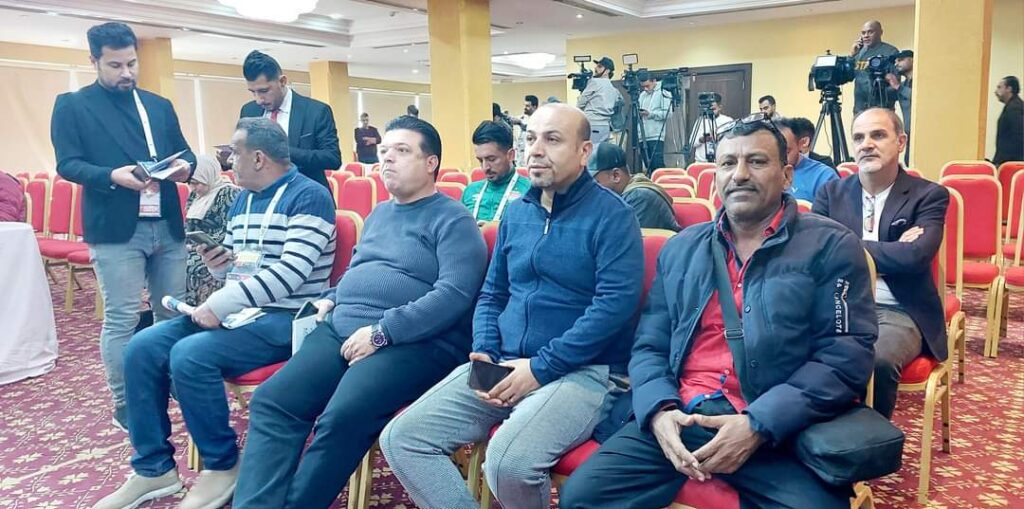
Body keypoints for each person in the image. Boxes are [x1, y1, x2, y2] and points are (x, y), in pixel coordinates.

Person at [559, 115, 877, 509]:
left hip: (777, 423)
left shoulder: (831, 246)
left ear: (787, 175)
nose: (739, 174)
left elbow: (845, 357)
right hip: (682, 413)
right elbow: (649, 346)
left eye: (756, 162)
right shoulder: (682, 249)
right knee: (581, 498)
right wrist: (659, 411)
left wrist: (758, 424)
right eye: (728, 163)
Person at [379, 103, 644, 509]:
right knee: (402, 439)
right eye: (530, 138)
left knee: (508, 463)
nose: (535, 150)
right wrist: (485, 350)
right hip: (503, 363)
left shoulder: (613, 216)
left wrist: (539, 368)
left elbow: (613, 307)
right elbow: (492, 293)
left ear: (584, 152)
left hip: (583, 370)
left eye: (552, 139)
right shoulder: (518, 213)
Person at [232, 115, 488, 509]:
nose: (388, 158)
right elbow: (360, 270)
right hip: (342, 328)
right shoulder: (380, 214)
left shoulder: (453, 219)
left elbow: (454, 295)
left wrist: (383, 332)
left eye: (402, 151)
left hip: (413, 342)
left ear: (431, 162)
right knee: (274, 400)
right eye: (384, 151)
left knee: (343, 415)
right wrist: (331, 296)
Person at [91, 117, 336, 509]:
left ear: (259, 158)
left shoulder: (310, 196)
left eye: (234, 153)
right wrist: (219, 264)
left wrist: (219, 304)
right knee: (142, 346)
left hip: (287, 318)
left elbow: (291, 274)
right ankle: (153, 467)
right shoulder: (243, 198)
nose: (228, 161)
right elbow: (240, 268)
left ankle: (222, 465)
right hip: (243, 312)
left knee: (191, 355)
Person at [50, 21, 194, 431]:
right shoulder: (73, 105)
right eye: (115, 65)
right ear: (94, 60)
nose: (126, 72)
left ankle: (175, 380)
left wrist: (185, 167)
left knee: (173, 311)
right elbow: (67, 164)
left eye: (131, 63)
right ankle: (125, 402)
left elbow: (182, 152)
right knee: (122, 318)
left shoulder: (157, 105)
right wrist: (111, 176)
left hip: (166, 222)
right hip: (116, 227)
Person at [814, 107, 949, 419]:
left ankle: (870, 439)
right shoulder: (831, 193)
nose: (866, 144)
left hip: (897, 310)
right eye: (859, 137)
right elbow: (815, 253)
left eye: (878, 135)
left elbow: (915, 257)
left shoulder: (928, 195)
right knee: (789, 347)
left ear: (900, 142)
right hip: (839, 305)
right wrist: (893, 249)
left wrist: (843, 246)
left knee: (876, 360)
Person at [224, 50, 340, 191]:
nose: (259, 100)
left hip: (306, 195)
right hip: (261, 195)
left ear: (282, 81)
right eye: (253, 92)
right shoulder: (249, 111)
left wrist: (281, 151)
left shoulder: (315, 111)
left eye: (264, 91)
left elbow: (332, 158)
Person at [184, 155, 240, 306]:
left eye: (196, 183)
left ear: (207, 176)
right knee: (172, 261)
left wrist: (198, 247)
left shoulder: (228, 193)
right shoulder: (194, 196)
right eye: (190, 183)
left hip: (218, 251)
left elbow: (227, 229)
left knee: (192, 267)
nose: (193, 188)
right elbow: (188, 226)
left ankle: (201, 309)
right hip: (195, 248)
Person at [590, 142, 679, 232]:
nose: (589, 188)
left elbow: (617, 238)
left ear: (616, 176)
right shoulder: (620, 196)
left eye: (595, 182)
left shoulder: (639, 198)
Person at [462, 121, 531, 222]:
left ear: (511, 155)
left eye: (491, 159)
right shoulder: (470, 191)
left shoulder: (530, 192)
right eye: (480, 160)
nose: (485, 168)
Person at [777, 117, 838, 201]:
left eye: (785, 152)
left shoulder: (823, 176)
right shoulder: (763, 173)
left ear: (800, 144)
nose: (778, 159)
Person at [850, 20, 899, 115]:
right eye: (863, 33)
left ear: (880, 32)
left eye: (870, 32)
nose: (866, 36)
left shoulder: (891, 51)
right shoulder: (858, 52)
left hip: (882, 107)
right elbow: (848, 75)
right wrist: (851, 55)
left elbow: (895, 83)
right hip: (860, 108)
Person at [577, 56, 622, 144]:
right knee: (601, 151)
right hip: (606, 126)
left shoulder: (595, 82)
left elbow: (581, 102)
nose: (596, 68)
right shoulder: (614, 89)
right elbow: (620, 102)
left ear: (607, 71)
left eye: (599, 66)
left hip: (593, 123)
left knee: (590, 151)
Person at [637, 70, 672, 172]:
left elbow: (668, 113)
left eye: (647, 86)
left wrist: (650, 114)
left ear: (654, 81)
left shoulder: (663, 92)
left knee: (657, 165)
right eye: (643, 86)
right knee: (647, 166)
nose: (645, 89)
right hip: (642, 135)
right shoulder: (642, 95)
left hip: (656, 135)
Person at [887, 50, 914, 166]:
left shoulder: (922, 81)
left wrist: (897, 86)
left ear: (912, 60)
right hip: (908, 133)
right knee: (908, 162)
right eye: (895, 61)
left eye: (901, 60)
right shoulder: (903, 84)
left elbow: (919, 97)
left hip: (922, 132)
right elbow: (886, 97)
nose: (897, 64)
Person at [691, 93, 734, 163]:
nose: (710, 111)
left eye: (713, 109)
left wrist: (719, 137)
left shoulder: (728, 121)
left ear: (720, 107)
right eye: (709, 109)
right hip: (701, 162)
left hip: (721, 162)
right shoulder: (700, 121)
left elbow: (733, 141)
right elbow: (692, 143)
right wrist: (702, 140)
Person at [993, 76, 1024, 167]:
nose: (996, 91)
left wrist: (1001, 161)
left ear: (1009, 89)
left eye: (999, 87)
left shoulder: (1014, 108)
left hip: (1011, 162)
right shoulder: (1014, 105)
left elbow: (1018, 136)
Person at [511, 94, 538, 167]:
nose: (525, 108)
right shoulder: (523, 117)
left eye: (527, 106)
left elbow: (532, 129)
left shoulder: (539, 118)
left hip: (531, 154)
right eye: (525, 105)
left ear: (534, 107)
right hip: (520, 154)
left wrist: (520, 124)